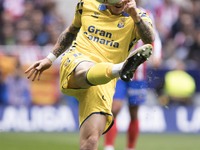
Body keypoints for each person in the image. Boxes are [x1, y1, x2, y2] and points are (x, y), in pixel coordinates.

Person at [25, 0, 154, 150]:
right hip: (77, 60)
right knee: (84, 69)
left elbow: (149, 39)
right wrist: (50, 58)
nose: (121, 2)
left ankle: (118, 69)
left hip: (103, 83)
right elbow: (72, 30)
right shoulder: (86, 4)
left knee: (91, 142)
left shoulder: (139, 16)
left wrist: (135, 16)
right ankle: (120, 69)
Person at [104, 1, 162, 150]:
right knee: (114, 108)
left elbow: (153, 36)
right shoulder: (117, 11)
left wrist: (157, 54)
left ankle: (130, 147)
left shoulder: (146, 14)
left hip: (138, 73)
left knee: (134, 111)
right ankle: (109, 146)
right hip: (119, 69)